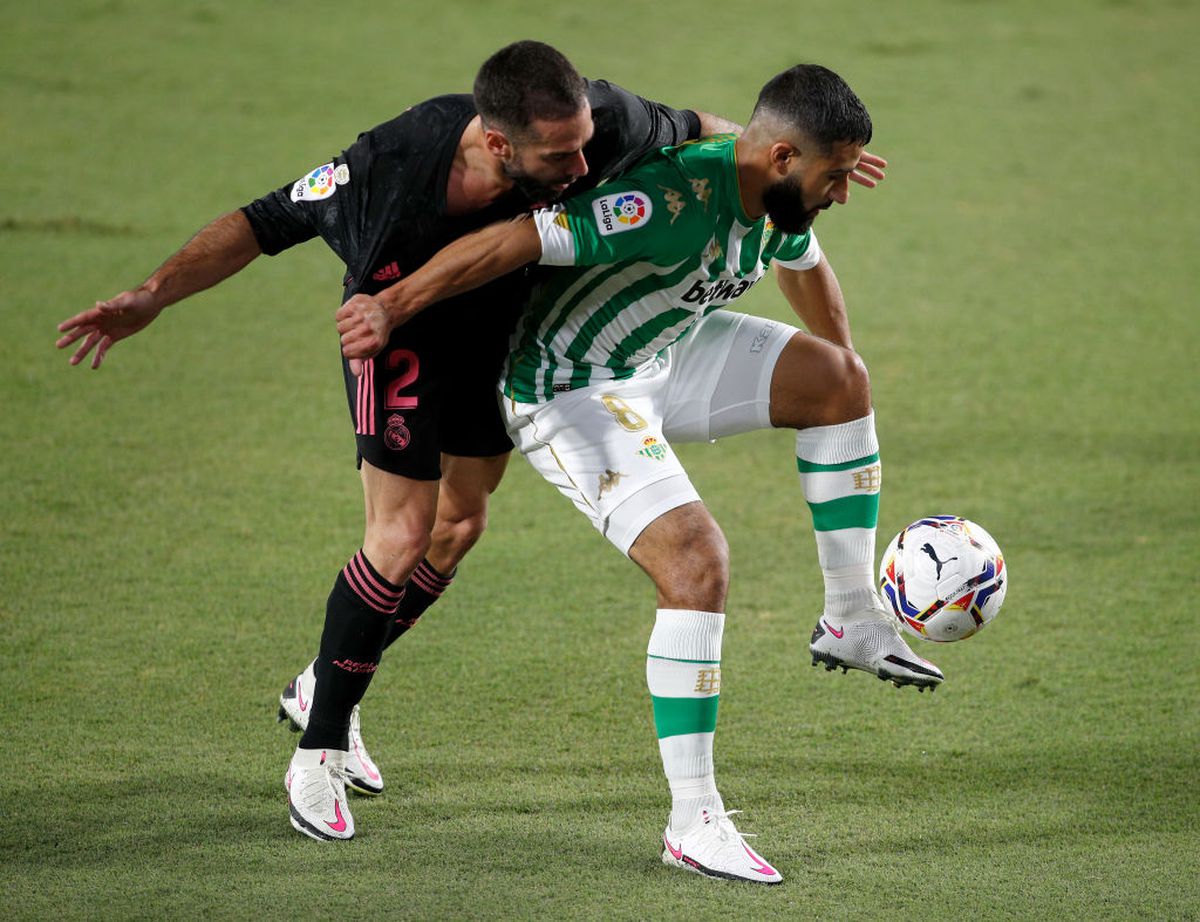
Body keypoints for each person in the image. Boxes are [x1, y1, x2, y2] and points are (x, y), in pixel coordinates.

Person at [56, 42, 888, 844]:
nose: (580, 171)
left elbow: (703, 128)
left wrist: (810, 164)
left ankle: (318, 683)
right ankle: (319, 749)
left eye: (584, 148)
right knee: (403, 534)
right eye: (560, 159)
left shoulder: (598, 122)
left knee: (459, 528)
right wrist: (152, 295)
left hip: (500, 330)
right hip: (399, 325)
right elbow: (263, 220)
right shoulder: (386, 170)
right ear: (497, 145)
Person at [337, 63, 939, 884]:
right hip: (572, 387)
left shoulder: (780, 192)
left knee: (840, 382)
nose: (843, 192)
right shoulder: (666, 202)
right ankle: (693, 823)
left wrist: (845, 356)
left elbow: (804, 262)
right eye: (834, 176)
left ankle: (852, 617)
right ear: (786, 157)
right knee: (697, 563)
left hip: (663, 349)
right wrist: (391, 306)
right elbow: (518, 239)